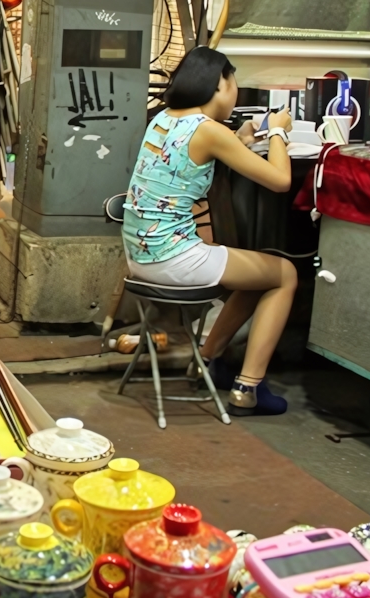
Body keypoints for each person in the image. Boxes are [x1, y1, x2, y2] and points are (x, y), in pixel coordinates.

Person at [122, 46, 297, 416]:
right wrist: (279, 133)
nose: (235, 92)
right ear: (219, 83)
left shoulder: (164, 118)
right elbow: (281, 180)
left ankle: (206, 360)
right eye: (233, 82)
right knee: (286, 275)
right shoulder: (209, 130)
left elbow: (192, 155)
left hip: (140, 257)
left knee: (255, 277)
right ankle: (249, 387)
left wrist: (242, 139)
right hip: (173, 259)